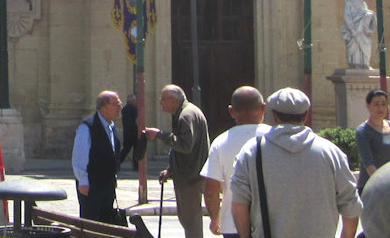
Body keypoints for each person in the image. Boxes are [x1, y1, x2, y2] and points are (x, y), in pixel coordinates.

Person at [228, 86, 361, 238]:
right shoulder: (331, 153)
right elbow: (351, 206)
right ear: (305, 116)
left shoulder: (252, 151)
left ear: (274, 116)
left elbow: (239, 203)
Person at [201, 86, 270, 238]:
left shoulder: (220, 142)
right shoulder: (274, 138)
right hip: (271, 224)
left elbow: (211, 190)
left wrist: (215, 218)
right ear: (263, 108)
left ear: (231, 111)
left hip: (232, 224)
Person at [145, 84, 211, 238]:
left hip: (191, 178)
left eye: (163, 100)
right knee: (188, 221)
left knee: (191, 223)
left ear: (173, 101)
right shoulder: (186, 113)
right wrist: (171, 169)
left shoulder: (186, 115)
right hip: (189, 175)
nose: (160, 103)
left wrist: (160, 135)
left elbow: (185, 145)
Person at [71, 90, 124, 223]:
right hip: (91, 185)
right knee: (91, 223)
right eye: (117, 104)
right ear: (105, 106)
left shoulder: (111, 127)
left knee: (106, 222)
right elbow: (79, 157)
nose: (120, 107)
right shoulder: (87, 127)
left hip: (107, 185)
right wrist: (83, 181)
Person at [354, 89, 390, 193]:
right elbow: (368, 164)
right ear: (368, 106)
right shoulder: (363, 131)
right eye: (376, 104)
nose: (380, 108)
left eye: (384, 104)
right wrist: (383, 184)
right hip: (372, 187)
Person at [341, 0, 376, 70]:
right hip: (353, 29)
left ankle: (365, 63)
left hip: (362, 30)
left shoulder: (362, 2)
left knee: (365, 45)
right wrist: (351, 29)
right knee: (354, 47)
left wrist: (370, 15)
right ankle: (355, 64)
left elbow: (366, 12)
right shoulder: (348, 3)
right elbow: (346, 16)